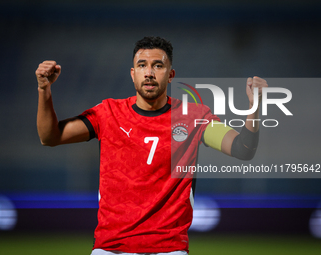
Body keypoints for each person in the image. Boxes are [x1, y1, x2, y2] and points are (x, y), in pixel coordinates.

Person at [36, 36, 268, 255]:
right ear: (132, 73)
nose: (149, 72)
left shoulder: (195, 117)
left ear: (170, 75)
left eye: (158, 65)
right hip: (111, 248)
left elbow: (243, 149)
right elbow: (50, 137)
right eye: (142, 65)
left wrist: (254, 107)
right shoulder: (108, 113)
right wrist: (44, 90)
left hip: (169, 248)